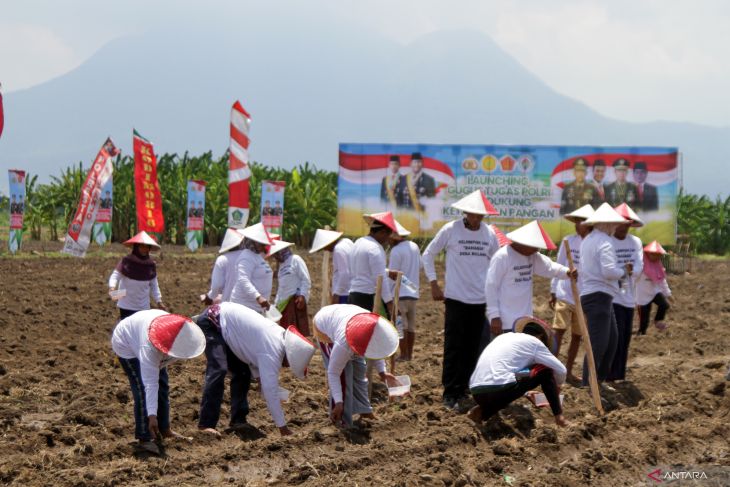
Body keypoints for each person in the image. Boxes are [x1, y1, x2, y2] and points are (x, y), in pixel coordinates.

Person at [422, 189, 500, 411]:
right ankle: (450, 391)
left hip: (479, 301)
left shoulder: (489, 234)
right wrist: (434, 283)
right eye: (472, 214)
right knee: (454, 346)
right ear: (465, 212)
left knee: (473, 347)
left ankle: (465, 388)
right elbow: (428, 254)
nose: (475, 219)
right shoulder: (451, 229)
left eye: (480, 215)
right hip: (455, 299)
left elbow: (497, 264)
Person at [195, 303, 316, 437]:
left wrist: (259, 379)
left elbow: (252, 353)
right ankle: (206, 424)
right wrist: (283, 427)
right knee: (218, 369)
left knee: (243, 373)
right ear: (290, 355)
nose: (286, 367)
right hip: (213, 321)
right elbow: (270, 392)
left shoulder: (278, 337)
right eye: (289, 364)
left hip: (229, 329)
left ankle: (238, 421)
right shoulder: (273, 351)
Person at [111, 310, 205, 455]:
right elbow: (150, 384)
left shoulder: (177, 328)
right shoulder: (148, 348)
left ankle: (164, 429)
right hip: (126, 343)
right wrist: (152, 415)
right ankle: (145, 437)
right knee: (141, 388)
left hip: (147, 337)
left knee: (163, 384)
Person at [467, 317, 568, 427]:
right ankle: (560, 418)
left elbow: (510, 372)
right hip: (499, 389)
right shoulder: (536, 343)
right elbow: (561, 370)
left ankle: (482, 412)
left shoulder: (504, 337)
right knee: (545, 369)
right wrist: (556, 390)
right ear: (540, 337)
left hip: (477, 391)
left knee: (506, 382)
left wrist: (525, 392)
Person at [313, 304, 400, 427]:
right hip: (325, 326)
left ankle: (365, 411)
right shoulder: (343, 343)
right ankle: (342, 421)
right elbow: (333, 373)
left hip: (347, 318)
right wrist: (339, 402)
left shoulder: (376, 329)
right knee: (344, 376)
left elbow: (377, 349)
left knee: (360, 370)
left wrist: (382, 372)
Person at [486, 220, 574, 336]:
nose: (537, 250)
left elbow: (549, 267)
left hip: (524, 320)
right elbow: (491, 287)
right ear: (523, 243)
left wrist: (567, 272)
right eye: (535, 247)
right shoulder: (502, 257)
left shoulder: (532, 256)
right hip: (504, 321)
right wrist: (494, 316)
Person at [579, 203, 628, 387]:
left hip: (597, 295)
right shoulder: (605, 242)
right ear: (607, 224)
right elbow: (609, 272)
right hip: (599, 295)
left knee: (610, 341)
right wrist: (622, 271)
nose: (616, 227)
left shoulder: (588, 240)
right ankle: (588, 383)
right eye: (614, 224)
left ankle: (596, 381)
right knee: (599, 345)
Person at [550, 205, 594, 382]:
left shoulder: (594, 243)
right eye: (576, 221)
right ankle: (552, 371)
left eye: (581, 221)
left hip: (584, 297)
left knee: (577, 335)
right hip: (565, 293)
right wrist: (553, 290)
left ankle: (567, 372)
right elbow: (558, 266)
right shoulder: (569, 241)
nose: (578, 225)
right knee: (558, 331)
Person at [607, 203, 644, 381]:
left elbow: (638, 266)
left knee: (625, 337)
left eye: (626, 224)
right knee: (614, 336)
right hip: (611, 296)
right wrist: (624, 270)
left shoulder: (635, 242)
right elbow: (609, 268)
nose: (623, 227)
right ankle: (608, 374)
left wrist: (628, 271)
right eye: (620, 223)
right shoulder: (607, 242)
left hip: (628, 296)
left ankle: (619, 375)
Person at [109, 231, 167, 319]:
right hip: (126, 305)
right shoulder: (126, 261)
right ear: (136, 247)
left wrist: (159, 301)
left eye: (147, 247)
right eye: (142, 246)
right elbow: (115, 275)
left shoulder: (150, 265)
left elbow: (154, 285)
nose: (145, 249)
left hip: (143, 306)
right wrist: (112, 287)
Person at [348, 212, 397, 313]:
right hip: (366, 297)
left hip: (353, 295)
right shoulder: (375, 248)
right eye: (388, 236)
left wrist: (388, 272)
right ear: (382, 232)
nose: (387, 240)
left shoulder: (359, 242)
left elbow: (364, 268)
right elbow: (380, 277)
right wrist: (389, 303)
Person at [388, 220, 421, 361]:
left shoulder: (396, 250)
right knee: (411, 326)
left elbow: (392, 274)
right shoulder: (414, 246)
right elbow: (421, 266)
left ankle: (403, 354)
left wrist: (388, 295)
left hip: (400, 293)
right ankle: (410, 354)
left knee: (401, 326)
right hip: (413, 292)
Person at [230, 223, 274, 313]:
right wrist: (258, 297)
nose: (263, 246)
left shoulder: (257, 256)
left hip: (256, 308)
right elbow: (243, 279)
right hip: (244, 307)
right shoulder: (246, 256)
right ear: (252, 242)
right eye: (260, 243)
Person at [273, 240, 312, 336]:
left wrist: (302, 295)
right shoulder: (281, 266)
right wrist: (276, 304)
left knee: (297, 335)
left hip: (295, 302)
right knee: (286, 334)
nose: (275, 257)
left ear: (281, 251)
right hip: (284, 305)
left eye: (276, 254)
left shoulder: (295, 259)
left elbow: (305, 279)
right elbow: (282, 287)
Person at [310, 229, 355, 304]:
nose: (325, 250)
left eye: (325, 247)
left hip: (343, 294)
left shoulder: (338, 249)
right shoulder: (346, 242)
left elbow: (344, 274)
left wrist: (337, 295)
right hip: (350, 290)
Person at [636, 241, 672, 334]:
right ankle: (641, 333)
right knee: (644, 318)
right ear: (647, 253)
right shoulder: (639, 265)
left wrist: (668, 293)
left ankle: (658, 321)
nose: (656, 257)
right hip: (642, 294)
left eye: (658, 255)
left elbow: (662, 280)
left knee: (664, 305)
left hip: (654, 292)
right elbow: (631, 277)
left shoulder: (658, 265)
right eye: (653, 254)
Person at [203, 228, 245, 305]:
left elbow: (216, 286)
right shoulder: (250, 257)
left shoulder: (222, 260)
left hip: (229, 304)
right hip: (250, 304)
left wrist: (209, 297)